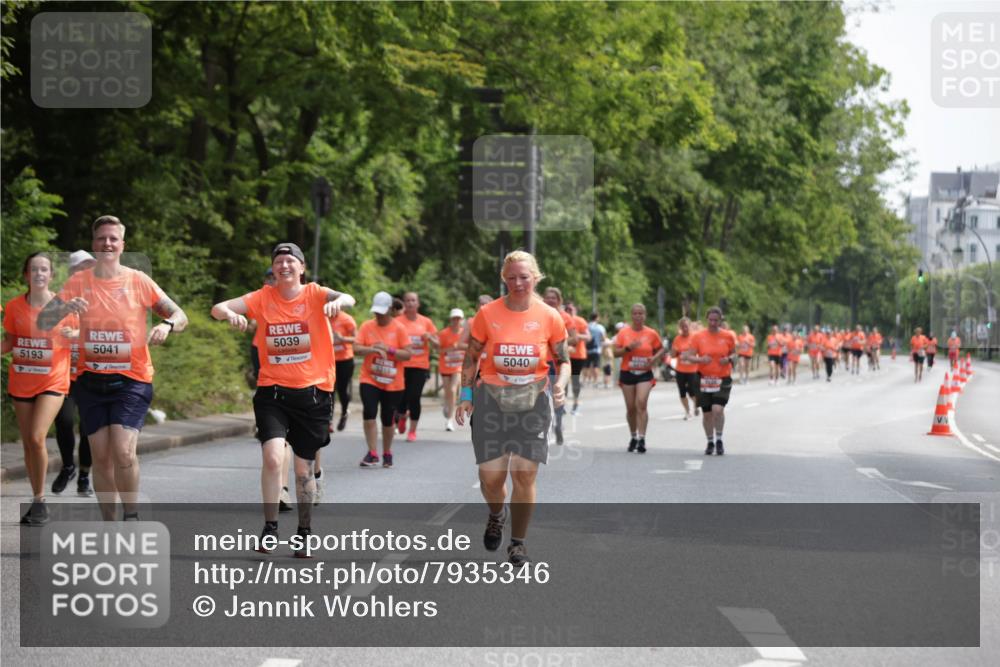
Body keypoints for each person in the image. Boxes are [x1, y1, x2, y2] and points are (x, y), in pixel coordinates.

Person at [38, 216, 189, 522]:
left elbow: (179, 313)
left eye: (113, 239)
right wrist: (65, 307)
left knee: (123, 452)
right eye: (101, 239)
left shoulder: (138, 280)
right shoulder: (78, 282)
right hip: (91, 381)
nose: (107, 243)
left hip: (131, 379)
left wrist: (168, 325)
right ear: (94, 244)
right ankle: (110, 525)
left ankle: (130, 516)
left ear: (122, 245)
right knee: (102, 459)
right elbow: (43, 321)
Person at [211, 242, 354, 553]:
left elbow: (348, 297)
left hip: (314, 393)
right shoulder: (263, 297)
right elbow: (218, 308)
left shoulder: (315, 293)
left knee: (303, 470)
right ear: (273, 269)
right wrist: (229, 315)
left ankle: (304, 531)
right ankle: (270, 527)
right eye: (279, 261)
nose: (284, 266)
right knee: (273, 457)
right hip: (273, 392)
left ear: (301, 268)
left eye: (291, 261)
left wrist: (338, 302)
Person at [456, 250, 568, 567]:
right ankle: (496, 513)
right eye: (511, 278)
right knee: (491, 478)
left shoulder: (549, 316)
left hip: (533, 402)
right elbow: (471, 357)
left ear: (536, 277)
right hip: (491, 399)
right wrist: (465, 394)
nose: (518, 283)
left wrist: (560, 384)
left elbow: (565, 360)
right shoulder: (487, 313)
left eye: (524, 277)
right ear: (504, 280)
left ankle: (518, 543)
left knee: (524, 473)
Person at [3, 253, 74, 525]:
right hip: (22, 378)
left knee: (36, 436)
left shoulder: (61, 307)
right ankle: (37, 499)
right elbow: (10, 341)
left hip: (53, 380)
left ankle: (41, 501)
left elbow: (81, 338)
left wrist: (73, 337)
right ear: (26, 275)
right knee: (28, 443)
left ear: (51, 275)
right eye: (34, 269)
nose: (39, 273)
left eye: (44, 269)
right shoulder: (13, 307)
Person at [51, 250, 96, 497]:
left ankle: (84, 476)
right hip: (65, 375)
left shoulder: (102, 298)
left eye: (90, 267)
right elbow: (42, 326)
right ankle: (68, 465)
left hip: (90, 374)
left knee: (89, 428)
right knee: (65, 423)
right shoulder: (60, 298)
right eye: (81, 267)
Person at [355, 291, 413, 467]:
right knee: (369, 413)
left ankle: (387, 452)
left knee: (387, 419)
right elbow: (356, 348)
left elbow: (408, 354)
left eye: (382, 311)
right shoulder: (367, 326)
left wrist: (389, 350)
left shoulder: (399, 329)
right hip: (369, 378)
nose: (378, 315)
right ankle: (372, 452)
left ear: (389, 309)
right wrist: (372, 349)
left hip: (393, 383)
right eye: (376, 312)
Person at [683, 306, 737, 455]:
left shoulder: (728, 336)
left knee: (717, 410)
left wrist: (729, 359)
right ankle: (710, 442)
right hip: (703, 378)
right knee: (707, 414)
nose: (713, 323)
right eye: (711, 320)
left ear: (720, 321)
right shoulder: (698, 336)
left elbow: (734, 354)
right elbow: (688, 356)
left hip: (722, 378)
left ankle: (719, 440)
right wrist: (700, 359)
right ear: (707, 319)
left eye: (716, 320)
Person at [613, 304, 665, 452]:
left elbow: (661, 348)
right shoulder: (623, 333)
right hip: (627, 372)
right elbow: (615, 353)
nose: (638, 316)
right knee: (631, 409)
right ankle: (633, 436)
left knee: (641, 403)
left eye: (641, 313)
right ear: (631, 315)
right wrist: (628, 348)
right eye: (635, 313)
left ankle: (642, 439)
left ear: (645, 315)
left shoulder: (651, 333)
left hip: (644, 373)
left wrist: (654, 358)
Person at [395, 292, 438, 442]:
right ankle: (401, 415)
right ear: (404, 303)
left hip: (420, 365)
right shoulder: (398, 321)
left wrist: (430, 338)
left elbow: (438, 345)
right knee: (400, 396)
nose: (410, 303)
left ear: (418, 304)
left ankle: (412, 431)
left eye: (413, 300)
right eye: (407, 300)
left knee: (414, 397)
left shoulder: (426, 322)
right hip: (401, 364)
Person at [541, 287, 576, 445]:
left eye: (553, 298)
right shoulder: (538, 315)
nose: (550, 300)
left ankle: (559, 424)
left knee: (558, 395)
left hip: (559, 362)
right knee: (542, 396)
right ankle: (545, 427)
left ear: (559, 300)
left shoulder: (565, 317)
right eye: (547, 298)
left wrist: (562, 344)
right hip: (541, 361)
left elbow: (574, 338)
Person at [437, 308, 467, 431]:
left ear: (462, 320)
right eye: (454, 318)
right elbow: (439, 350)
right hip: (445, 366)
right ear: (450, 319)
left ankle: (449, 420)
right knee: (447, 391)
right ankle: (447, 405)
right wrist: (449, 349)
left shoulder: (465, 333)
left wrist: (459, 346)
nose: (456, 321)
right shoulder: (444, 333)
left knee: (453, 389)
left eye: (458, 319)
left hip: (458, 366)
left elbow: (470, 347)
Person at [330, 306, 358, 431]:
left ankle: (344, 413)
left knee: (342, 389)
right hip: (328, 360)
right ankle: (328, 420)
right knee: (329, 390)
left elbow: (357, 339)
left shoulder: (347, 319)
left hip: (345, 360)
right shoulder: (323, 317)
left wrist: (342, 339)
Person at [563, 302, 591, 415]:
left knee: (575, 380)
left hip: (578, 355)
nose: (569, 310)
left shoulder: (580, 321)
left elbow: (588, 337)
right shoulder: (561, 319)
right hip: (564, 354)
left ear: (575, 309)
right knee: (563, 380)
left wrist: (575, 336)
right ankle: (562, 405)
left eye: (571, 308)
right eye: (567, 308)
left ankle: (576, 404)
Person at [670, 317, 700, 418]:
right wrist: (675, 350)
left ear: (690, 326)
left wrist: (691, 355)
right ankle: (687, 411)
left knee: (691, 390)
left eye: (686, 326)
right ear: (680, 327)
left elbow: (700, 351)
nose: (684, 328)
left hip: (693, 369)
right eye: (682, 326)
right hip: (680, 369)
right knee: (682, 391)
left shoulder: (695, 337)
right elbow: (673, 355)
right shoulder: (677, 339)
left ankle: (696, 405)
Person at [585, 312, 606, 387]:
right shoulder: (600, 327)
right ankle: (596, 381)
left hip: (587, 349)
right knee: (596, 365)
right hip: (597, 349)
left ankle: (586, 380)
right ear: (597, 318)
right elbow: (603, 338)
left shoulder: (587, 326)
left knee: (587, 365)